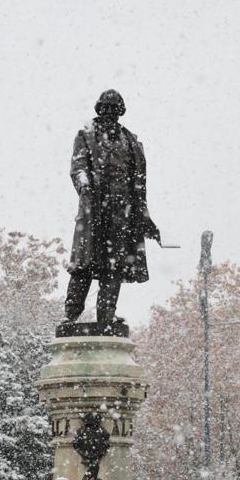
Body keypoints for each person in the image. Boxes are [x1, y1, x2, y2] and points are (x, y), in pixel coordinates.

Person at [64, 89, 160, 330]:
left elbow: (139, 183)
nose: (109, 113)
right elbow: (78, 167)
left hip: (121, 212)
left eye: (114, 109)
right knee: (84, 265)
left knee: (113, 266)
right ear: (98, 110)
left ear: (120, 112)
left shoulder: (131, 141)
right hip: (94, 209)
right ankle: (71, 315)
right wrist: (85, 185)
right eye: (105, 108)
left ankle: (106, 316)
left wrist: (144, 217)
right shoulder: (85, 135)